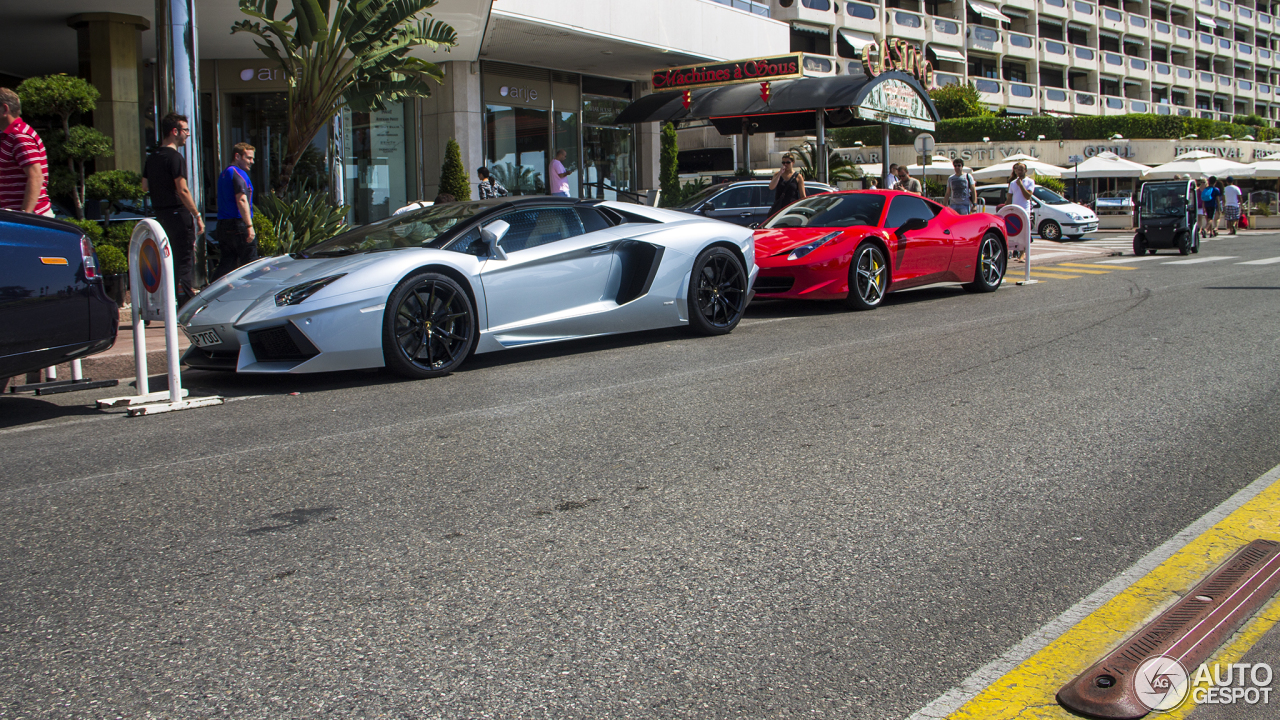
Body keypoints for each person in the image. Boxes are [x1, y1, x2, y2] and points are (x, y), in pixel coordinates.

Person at [142, 112, 204, 303]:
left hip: (161, 214)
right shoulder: (175, 158)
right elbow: (183, 189)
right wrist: (197, 214)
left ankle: (166, 300)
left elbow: (144, 186)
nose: (187, 134)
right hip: (178, 213)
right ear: (175, 131)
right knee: (184, 259)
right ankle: (184, 302)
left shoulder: (152, 157)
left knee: (166, 258)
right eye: (185, 130)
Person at [0, 87, 52, 216]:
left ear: (5, 109)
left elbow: (36, 177)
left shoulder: (20, 136)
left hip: (31, 219)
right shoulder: (8, 136)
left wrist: (25, 217)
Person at [212, 143, 256, 280]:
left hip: (224, 225)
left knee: (227, 263)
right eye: (248, 158)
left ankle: (212, 292)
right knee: (251, 264)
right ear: (237, 156)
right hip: (238, 224)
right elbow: (242, 199)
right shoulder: (238, 173)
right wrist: (249, 226)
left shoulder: (224, 173)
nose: (252, 162)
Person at [1007, 163, 1036, 260]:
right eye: (1017, 170)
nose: (1019, 171)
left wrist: (1021, 185)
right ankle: (1013, 251)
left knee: (1025, 233)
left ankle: (1022, 254)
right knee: (1014, 232)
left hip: (1025, 210)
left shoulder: (1030, 182)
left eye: (1021, 169)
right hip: (1015, 210)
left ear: (1025, 170)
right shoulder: (1012, 183)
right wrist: (1006, 208)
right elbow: (1009, 197)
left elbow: (1028, 196)